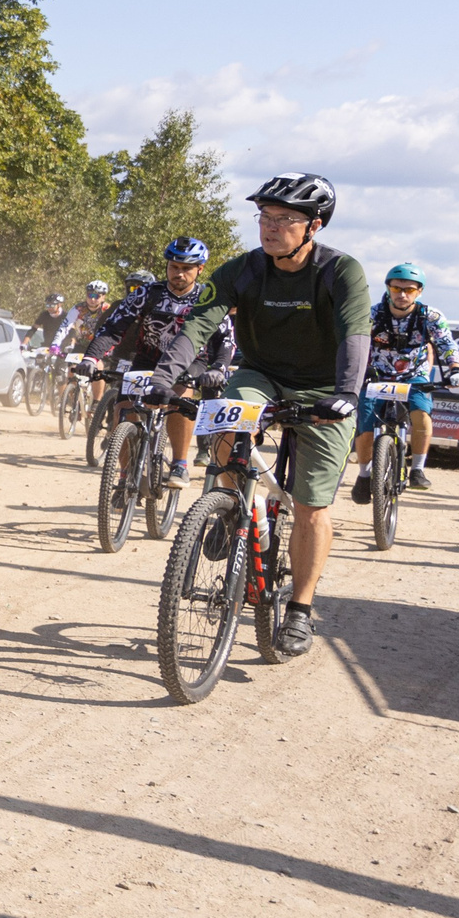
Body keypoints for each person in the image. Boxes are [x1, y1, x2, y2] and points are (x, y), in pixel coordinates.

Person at [153, 173, 370, 657]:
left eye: (284, 219)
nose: (270, 228)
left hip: (324, 388)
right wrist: (164, 378)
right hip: (261, 374)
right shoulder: (244, 269)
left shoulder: (341, 271)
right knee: (228, 420)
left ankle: (299, 611)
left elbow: (356, 333)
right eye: (265, 218)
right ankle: (228, 506)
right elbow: (200, 321)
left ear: (313, 225)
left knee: (312, 505)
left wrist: (347, 395)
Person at [85, 239, 230, 485]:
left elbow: (226, 339)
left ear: (200, 269)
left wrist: (218, 368)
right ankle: (124, 475)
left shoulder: (208, 298)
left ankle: (180, 464)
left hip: (191, 361)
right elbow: (113, 327)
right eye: (174, 267)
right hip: (148, 359)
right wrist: (91, 356)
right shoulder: (146, 294)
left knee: (179, 396)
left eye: (187, 269)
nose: (179, 274)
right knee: (122, 410)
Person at [352, 261, 459, 499]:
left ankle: (418, 470)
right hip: (377, 375)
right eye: (396, 288)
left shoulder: (430, 317)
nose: (402, 294)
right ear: (388, 288)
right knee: (365, 424)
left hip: (414, 376)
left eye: (410, 290)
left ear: (419, 291)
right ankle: (363, 475)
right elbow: (355, 343)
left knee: (421, 413)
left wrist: (455, 367)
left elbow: (446, 343)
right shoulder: (371, 314)